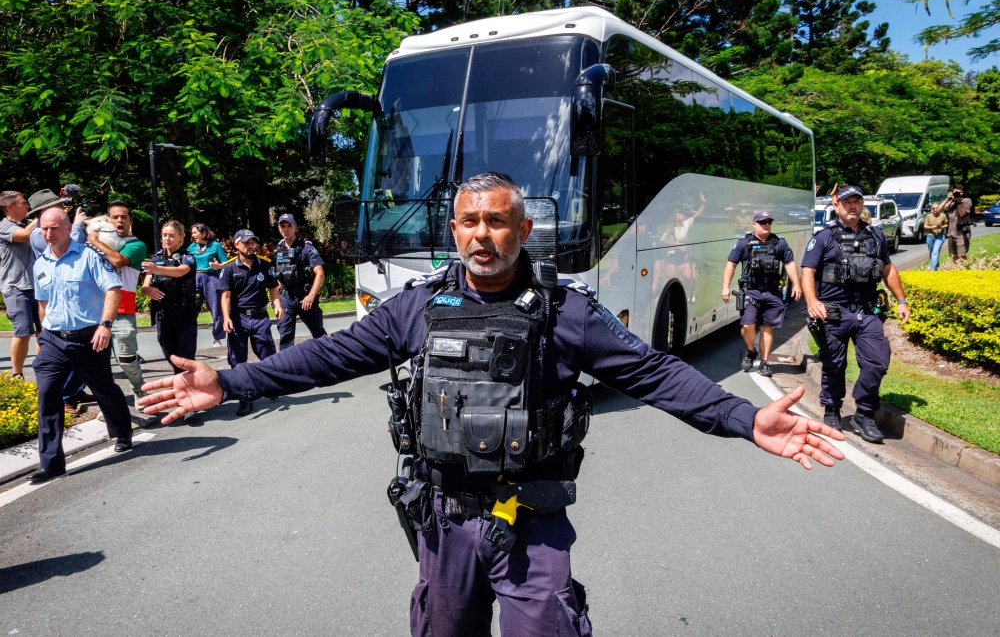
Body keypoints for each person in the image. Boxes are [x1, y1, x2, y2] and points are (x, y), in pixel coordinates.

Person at [140, 172, 846, 637]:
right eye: (470, 221)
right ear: (454, 230)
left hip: (532, 523)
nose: (483, 234)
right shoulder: (415, 308)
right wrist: (229, 383)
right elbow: (329, 356)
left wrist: (743, 417)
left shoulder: (566, 313)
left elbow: (653, 373)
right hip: (443, 520)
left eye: (498, 221)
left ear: (523, 230)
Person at [26, 208, 133, 483]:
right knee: (48, 394)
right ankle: (51, 463)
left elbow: (112, 289)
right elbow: (43, 303)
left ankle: (122, 431)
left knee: (104, 388)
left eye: (54, 229)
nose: (48, 234)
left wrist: (105, 326)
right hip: (53, 340)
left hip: (89, 338)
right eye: (44, 229)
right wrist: (42, 335)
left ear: (66, 227)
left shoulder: (88, 256)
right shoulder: (41, 264)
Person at [801, 184, 911, 443]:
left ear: (863, 205)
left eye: (857, 201)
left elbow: (887, 269)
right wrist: (812, 300)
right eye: (847, 201)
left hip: (867, 312)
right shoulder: (823, 237)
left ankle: (864, 413)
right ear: (837, 205)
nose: (852, 206)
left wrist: (901, 300)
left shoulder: (875, 235)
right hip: (833, 313)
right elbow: (807, 270)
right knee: (834, 365)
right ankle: (832, 410)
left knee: (877, 362)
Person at [26, 188, 90, 413]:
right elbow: (67, 249)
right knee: (67, 346)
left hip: (72, 295)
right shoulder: (38, 233)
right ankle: (66, 395)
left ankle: (74, 389)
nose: (62, 208)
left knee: (82, 347)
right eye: (58, 205)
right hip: (55, 299)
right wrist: (79, 226)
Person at [722, 211, 802, 378]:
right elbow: (731, 264)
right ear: (754, 224)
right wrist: (726, 286)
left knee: (767, 328)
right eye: (762, 222)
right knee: (747, 326)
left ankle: (764, 363)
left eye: (768, 222)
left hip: (772, 292)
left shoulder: (779, 243)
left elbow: (789, 263)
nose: (766, 224)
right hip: (751, 291)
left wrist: (796, 283)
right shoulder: (744, 243)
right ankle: (751, 351)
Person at [86, 201, 148, 412]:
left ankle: (139, 390)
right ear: (108, 221)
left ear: (130, 220)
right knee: (100, 365)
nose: (119, 221)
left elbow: (118, 260)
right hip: (95, 313)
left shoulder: (136, 244)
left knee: (127, 358)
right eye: (115, 217)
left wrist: (94, 240)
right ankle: (109, 405)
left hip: (122, 311)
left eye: (124, 217)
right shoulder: (93, 244)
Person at [218, 229, 283, 416]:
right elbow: (225, 296)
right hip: (238, 318)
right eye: (246, 243)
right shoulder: (229, 268)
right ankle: (245, 398)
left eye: (252, 242)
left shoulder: (264, 264)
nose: (250, 246)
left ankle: (270, 386)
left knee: (267, 353)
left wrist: (277, 305)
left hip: (260, 317)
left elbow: (273, 288)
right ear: (237, 245)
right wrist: (226, 317)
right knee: (238, 360)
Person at [141, 221, 199, 373]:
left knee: (185, 356)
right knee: (170, 353)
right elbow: (144, 287)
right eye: (164, 235)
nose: (167, 239)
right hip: (164, 314)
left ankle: (188, 386)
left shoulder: (187, 257)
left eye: (172, 236)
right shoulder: (155, 259)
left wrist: (157, 269)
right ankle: (181, 381)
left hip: (185, 314)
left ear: (181, 237)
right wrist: (149, 291)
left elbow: (181, 271)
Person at [0, 190, 40, 378]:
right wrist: (41, 216)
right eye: (23, 202)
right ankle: (17, 374)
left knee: (46, 333)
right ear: (10, 206)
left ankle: (45, 371)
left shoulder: (30, 224)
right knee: (23, 332)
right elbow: (23, 235)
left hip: (39, 287)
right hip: (16, 288)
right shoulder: (3, 226)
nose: (27, 206)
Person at [274, 214, 327, 351]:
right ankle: (286, 367)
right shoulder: (278, 249)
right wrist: (276, 301)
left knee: (318, 333)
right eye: (283, 226)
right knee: (285, 335)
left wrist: (311, 296)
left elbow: (320, 273)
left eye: (289, 226)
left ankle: (329, 359)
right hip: (286, 297)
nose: (286, 229)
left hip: (305, 297)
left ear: (295, 227)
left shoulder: (306, 247)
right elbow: (279, 278)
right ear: (279, 228)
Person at [188, 223, 228, 347]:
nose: (193, 235)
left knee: (216, 310)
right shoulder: (191, 247)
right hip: (195, 279)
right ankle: (188, 336)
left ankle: (218, 338)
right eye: (192, 233)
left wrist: (218, 266)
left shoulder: (215, 245)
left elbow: (226, 264)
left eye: (195, 232)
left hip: (212, 278)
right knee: (191, 309)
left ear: (204, 233)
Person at [941, 184, 973, 267]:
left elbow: (962, 214)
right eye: (956, 192)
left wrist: (958, 201)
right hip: (951, 233)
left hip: (962, 234)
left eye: (960, 192)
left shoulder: (966, 201)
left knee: (962, 256)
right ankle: (957, 272)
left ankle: (964, 273)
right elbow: (939, 210)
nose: (958, 194)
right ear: (952, 192)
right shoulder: (950, 202)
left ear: (963, 193)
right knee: (954, 256)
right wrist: (947, 198)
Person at [923, 203, 948, 270]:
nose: (935, 210)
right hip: (930, 236)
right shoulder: (929, 216)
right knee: (932, 252)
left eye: (937, 208)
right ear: (932, 209)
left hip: (940, 236)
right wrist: (931, 227)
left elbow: (946, 224)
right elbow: (925, 225)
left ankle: (932, 268)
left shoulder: (943, 216)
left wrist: (941, 227)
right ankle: (936, 267)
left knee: (935, 251)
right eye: (934, 208)